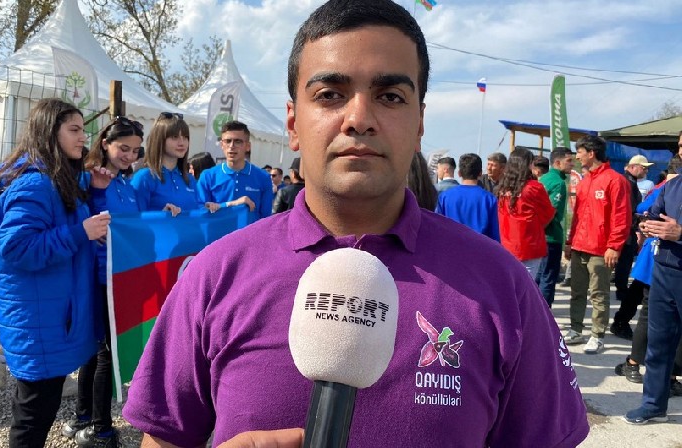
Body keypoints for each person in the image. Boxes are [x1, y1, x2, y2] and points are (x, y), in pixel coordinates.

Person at [122, 1, 589, 446]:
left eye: (390, 96)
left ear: (419, 123)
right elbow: (164, 438)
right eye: (330, 95)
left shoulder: (502, 285)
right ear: (292, 123)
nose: (359, 119)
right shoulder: (214, 275)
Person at [0, 98, 111, 447]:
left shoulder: (55, 178)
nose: (83, 137)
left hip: (47, 316)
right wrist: (80, 233)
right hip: (39, 320)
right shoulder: (36, 184)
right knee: (32, 418)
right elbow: (18, 248)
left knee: (36, 410)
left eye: (83, 129)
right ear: (48, 132)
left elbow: (72, 222)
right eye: (74, 129)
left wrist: (96, 196)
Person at [60, 116, 146, 448]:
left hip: (120, 276)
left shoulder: (127, 184)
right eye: (124, 148)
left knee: (98, 352)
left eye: (135, 151)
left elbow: (135, 226)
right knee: (105, 352)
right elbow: (85, 224)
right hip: (98, 277)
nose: (129, 156)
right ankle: (100, 428)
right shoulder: (87, 178)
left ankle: (83, 417)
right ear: (105, 143)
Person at [624, 154, 682, 424]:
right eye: (680, 146)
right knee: (658, 343)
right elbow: (648, 214)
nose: (681, 151)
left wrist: (680, 233)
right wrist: (645, 224)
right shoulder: (672, 186)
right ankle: (653, 405)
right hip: (664, 273)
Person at [564, 135, 631, 355]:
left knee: (599, 294)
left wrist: (614, 246)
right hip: (579, 246)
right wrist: (570, 242)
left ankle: (597, 335)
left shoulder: (615, 180)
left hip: (601, 249)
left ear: (591, 153)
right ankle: (576, 330)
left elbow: (621, 216)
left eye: (579, 152)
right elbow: (577, 216)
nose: (577, 157)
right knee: (577, 291)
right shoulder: (585, 182)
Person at [496, 147, 555, 279]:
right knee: (526, 286)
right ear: (528, 164)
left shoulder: (502, 188)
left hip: (507, 244)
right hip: (529, 246)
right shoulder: (534, 187)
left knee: (509, 285)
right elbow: (548, 214)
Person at [198, 120, 274, 223]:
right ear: (222, 145)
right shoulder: (208, 176)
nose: (231, 146)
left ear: (248, 146)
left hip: (249, 233)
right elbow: (200, 212)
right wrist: (232, 204)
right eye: (228, 141)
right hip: (218, 233)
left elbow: (266, 220)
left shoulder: (263, 177)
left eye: (238, 141)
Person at [131, 112, 197, 213]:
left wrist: (210, 209)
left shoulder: (190, 179)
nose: (182, 143)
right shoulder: (144, 178)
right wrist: (162, 216)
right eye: (175, 137)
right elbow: (134, 219)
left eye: (185, 137)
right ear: (159, 140)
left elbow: (198, 214)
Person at [609, 155, 644, 339]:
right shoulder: (626, 183)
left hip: (627, 232)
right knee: (625, 269)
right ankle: (622, 305)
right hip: (625, 233)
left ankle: (622, 313)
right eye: (643, 167)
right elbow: (628, 210)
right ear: (631, 167)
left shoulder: (631, 182)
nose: (645, 170)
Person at [536, 147, 574, 306]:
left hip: (537, 237)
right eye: (569, 161)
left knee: (538, 277)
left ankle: (533, 311)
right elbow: (551, 212)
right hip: (551, 237)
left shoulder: (542, 179)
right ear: (558, 163)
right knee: (548, 278)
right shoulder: (558, 183)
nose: (572, 164)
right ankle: (543, 313)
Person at [435, 153, 499, 241]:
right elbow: (495, 236)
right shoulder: (490, 199)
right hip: (479, 247)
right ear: (480, 173)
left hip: (452, 245)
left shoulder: (444, 197)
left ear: (459, 173)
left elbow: (438, 228)